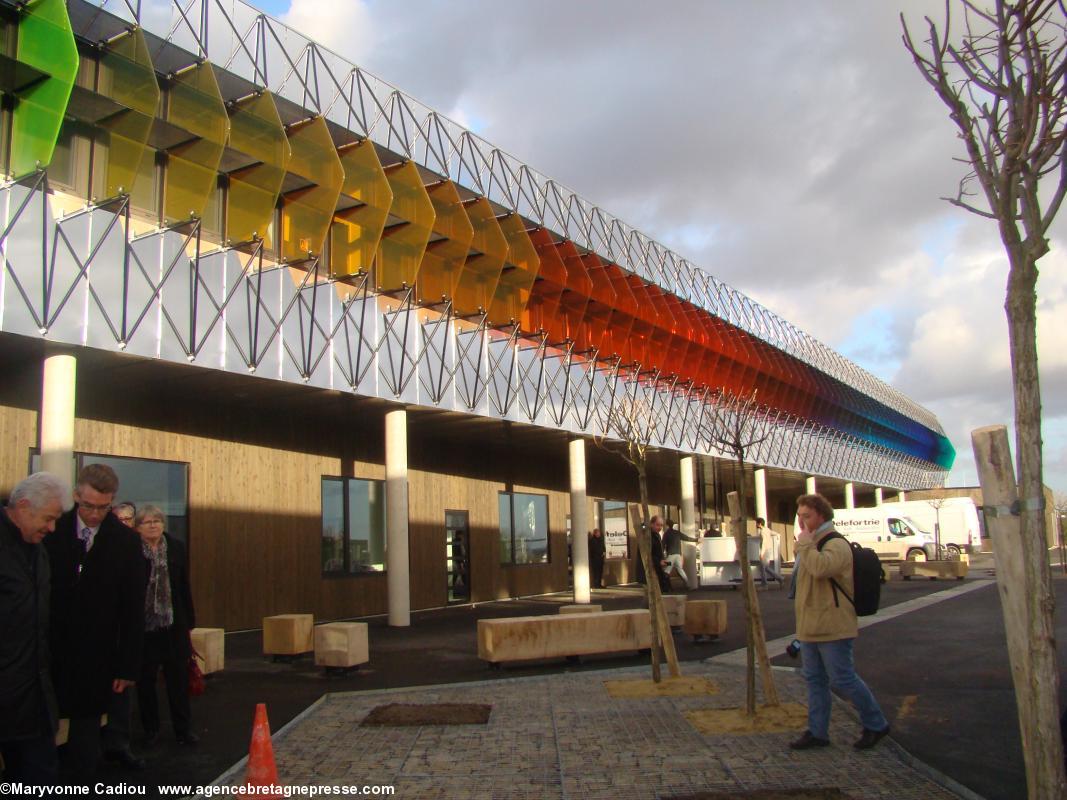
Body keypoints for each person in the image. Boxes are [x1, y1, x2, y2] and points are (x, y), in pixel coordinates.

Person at [46, 464, 148, 781]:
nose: (93, 514)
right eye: (88, 506)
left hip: (96, 656)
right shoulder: (52, 531)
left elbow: (133, 609)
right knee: (40, 736)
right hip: (49, 650)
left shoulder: (126, 543)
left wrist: (127, 666)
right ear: (77, 496)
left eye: (103, 508)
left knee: (85, 740)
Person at [790, 493, 890, 751]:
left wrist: (805, 545)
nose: (802, 522)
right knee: (814, 679)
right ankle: (817, 732)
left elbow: (821, 569)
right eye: (799, 516)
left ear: (821, 515)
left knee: (843, 678)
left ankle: (876, 724)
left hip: (832, 624)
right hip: (810, 625)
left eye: (807, 516)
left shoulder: (835, 544)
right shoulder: (810, 543)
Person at [0, 473, 64, 785]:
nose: (51, 528)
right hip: (6, 694)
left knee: (40, 778)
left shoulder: (37, 548)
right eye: (48, 519)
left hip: (35, 697)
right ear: (23, 506)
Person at [135, 505, 199, 746]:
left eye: (157, 520)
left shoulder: (176, 548)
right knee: (145, 680)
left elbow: (183, 585)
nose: (152, 525)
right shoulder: (132, 551)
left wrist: (190, 619)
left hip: (173, 623)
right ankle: (150, 729)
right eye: (146, 521)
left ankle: (183, 729)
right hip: (144, 626)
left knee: (178, 680)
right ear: (138, 527)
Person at [101, 500, 143, 769]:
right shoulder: (101, 545)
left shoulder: (132, 548)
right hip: (97, 632)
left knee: (121, 694)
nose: (124, 524)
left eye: (129, 519)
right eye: (119, 519)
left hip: (121, 634)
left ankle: (119, 745)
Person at [635, 515, 671, 594]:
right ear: (651, 524)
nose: (660, 527)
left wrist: (661, 560)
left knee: (653, 594)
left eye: (661, 525)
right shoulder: (647, 535)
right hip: (647, 569)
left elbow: (656, 551)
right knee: (651, 594)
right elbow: (646, 553)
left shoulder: (656, 535)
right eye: (657, 525)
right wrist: (658, 561)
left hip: (655, 568)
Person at [662, 519, 699, 587]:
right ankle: (688, 585)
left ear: (667, 525)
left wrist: (661, 556)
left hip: (671, 556)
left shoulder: (666, 534)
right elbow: (687, 538)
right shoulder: (677, 533)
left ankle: (666, 586)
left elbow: (663, 545)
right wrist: (696, 540)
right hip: (678, 556)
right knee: (680, 570)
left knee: (666, 570)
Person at [753, 517, 783, 587]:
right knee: (765, 567)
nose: (756, 525)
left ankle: (765, 584)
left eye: (757, 523)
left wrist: (762, 552)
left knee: (763, 568)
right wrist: (778, 534)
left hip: (765, 550)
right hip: (768, 550)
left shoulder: (763, 531)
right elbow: (772, 532)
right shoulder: (767, 529)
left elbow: (764, 542)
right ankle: (779, 579)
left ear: (759, 524)